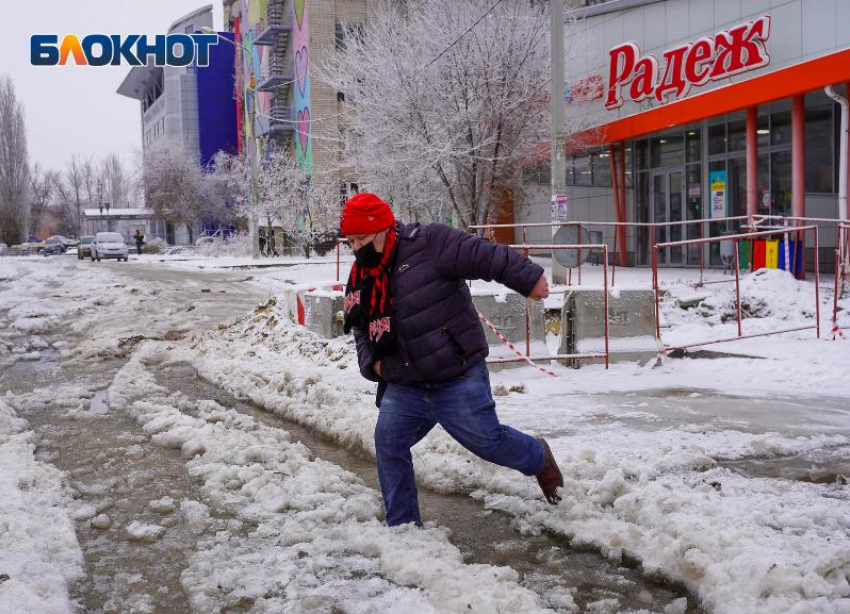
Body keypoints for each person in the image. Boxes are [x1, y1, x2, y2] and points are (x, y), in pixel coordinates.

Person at [341, 193, 564, 527]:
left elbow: (484, 255)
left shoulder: (430, 243)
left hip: (455, 376)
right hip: (404, 383)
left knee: (488, 441)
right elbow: (360, 326)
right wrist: (371, 364)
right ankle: (403, 526)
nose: (357, 248)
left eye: (362, 238)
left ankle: (538, 457)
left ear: (385, 229)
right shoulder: (363, 275)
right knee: (388, 442)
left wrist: (527, 278)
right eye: (351, 241)